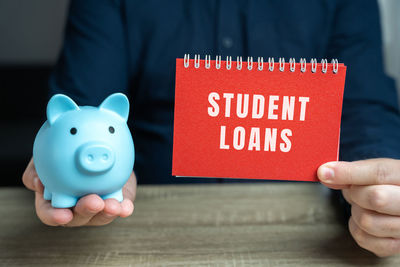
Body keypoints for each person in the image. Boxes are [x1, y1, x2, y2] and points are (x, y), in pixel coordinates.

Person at [22, 0, 400, 257]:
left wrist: (378, 189)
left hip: (301, 227)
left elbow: (363, 104)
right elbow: (81, 107)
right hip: (141, 219)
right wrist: (67, 169)